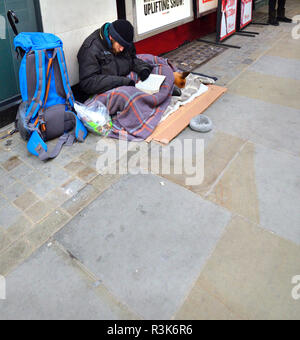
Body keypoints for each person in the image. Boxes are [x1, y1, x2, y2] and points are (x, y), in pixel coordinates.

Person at [77, 19, 153, 95]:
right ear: (111, 37)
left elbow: (131, 59)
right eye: (120, 45)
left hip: (126, 81)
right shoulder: (90, 49)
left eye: (124, 46)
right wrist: (122, 82)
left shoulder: (123, 42)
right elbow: (88, 82)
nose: (122, 49)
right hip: (104, 92)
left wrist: (142, 69)